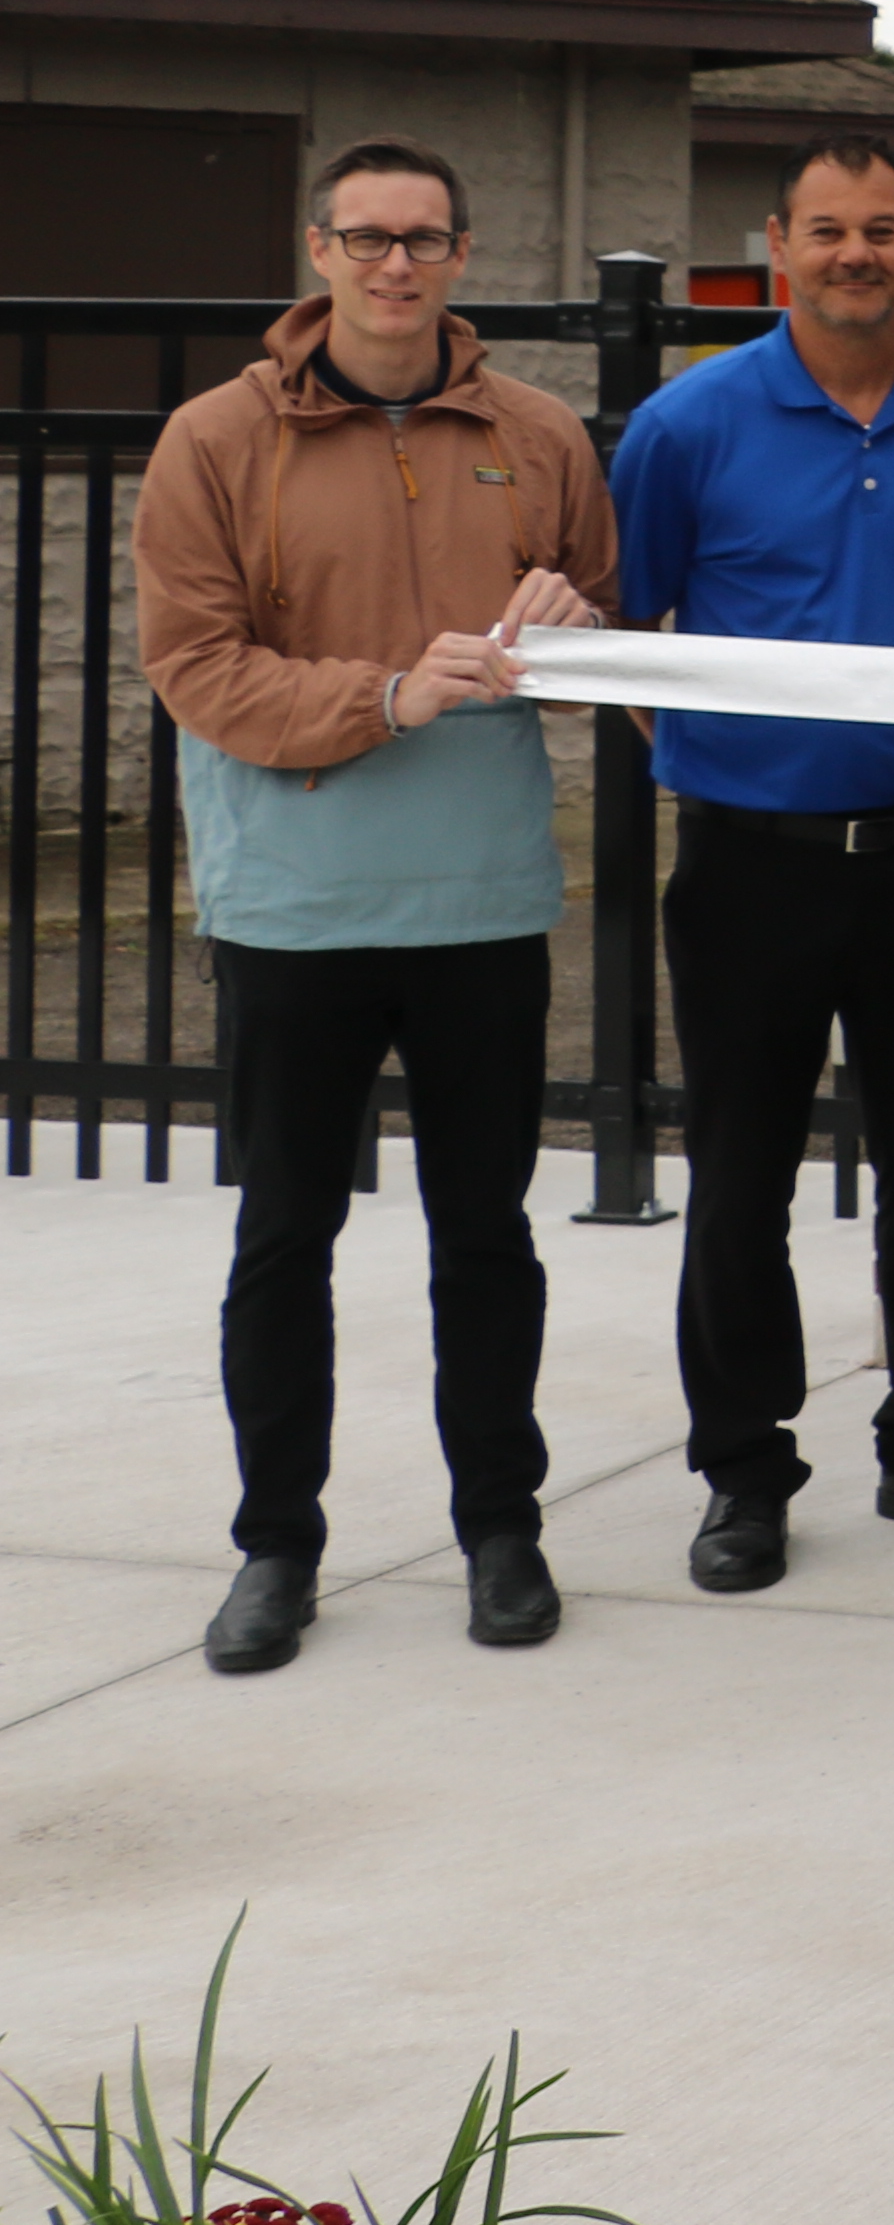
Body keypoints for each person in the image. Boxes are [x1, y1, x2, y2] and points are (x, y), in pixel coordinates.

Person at [143, 140, 614, 1673]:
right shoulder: (215, 440)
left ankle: (503, 1529)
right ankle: (277, 1547)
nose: (397, 265)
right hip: (295, 904)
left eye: (425, 239)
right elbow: (196, 667)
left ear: (463, 255)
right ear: (318, 251)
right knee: (287, 1236)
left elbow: (611, 632)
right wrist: (391, 696)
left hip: (481, 903)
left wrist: (580, 621)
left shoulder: (539, 436)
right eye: (368, 238)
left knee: (486, 1234)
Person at [603, 128, 894, 1594]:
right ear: (779, 243)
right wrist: (750, 764)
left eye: (887, 228)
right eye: (830, 229)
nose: (859, 253)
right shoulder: (690, 424)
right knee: (738, 1176)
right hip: (748, 870)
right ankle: (743, 1469)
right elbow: (627, 629)